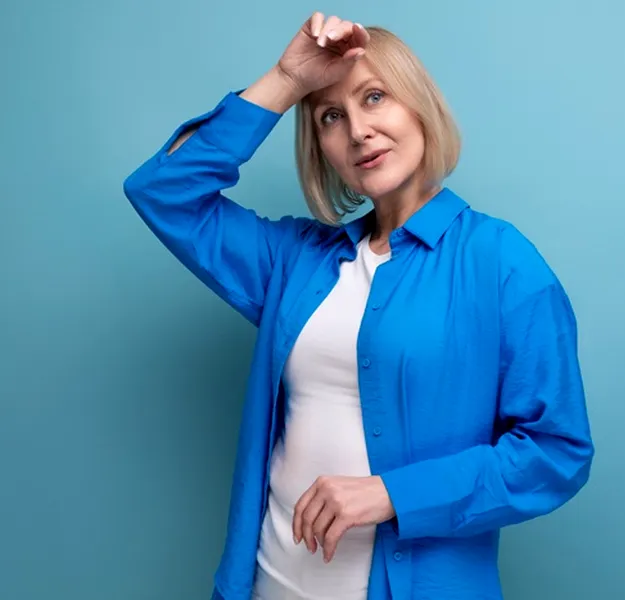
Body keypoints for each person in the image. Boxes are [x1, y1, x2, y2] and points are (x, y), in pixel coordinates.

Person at [123, 11, 594, 600]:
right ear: (320, 147)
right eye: (331, 116)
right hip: (265, 584)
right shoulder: (296, 262)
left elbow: (556, 452)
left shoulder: (501, 263)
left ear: (419, 105)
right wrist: (288, 79)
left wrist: (392, 494)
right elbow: (163, 190)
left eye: (375, 97)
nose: (358, 131)